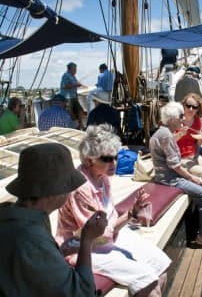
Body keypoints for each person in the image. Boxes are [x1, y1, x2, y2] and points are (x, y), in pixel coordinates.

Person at [56, 124, 171, 297]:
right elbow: (96, 234)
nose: (114, 163)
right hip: (83, 248)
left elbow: (109, 221)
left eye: (115, 157)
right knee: (148, 280)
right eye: (107, 159)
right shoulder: (81, 187)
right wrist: (129, 215)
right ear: (89, 160)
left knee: (161, 265)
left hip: (108, 238)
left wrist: (131, 214)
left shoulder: (103, 179)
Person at [0, 143, 108, 296]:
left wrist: (58, 253)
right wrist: (87, 240)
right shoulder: (30, 238)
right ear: (51, 191)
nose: (70, 190)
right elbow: (84, 292)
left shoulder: (12, 215)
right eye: (67, 185)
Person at [149, 101, 202, 250]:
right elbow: (175, 165)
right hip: (169, 179)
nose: (183, 119)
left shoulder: (165, 132)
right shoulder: (166, 135)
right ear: (173, 119)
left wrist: (180, 134)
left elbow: (168, 146)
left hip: (172, 176)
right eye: (181, 116)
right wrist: (195, 179)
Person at [176, 93, 202, 187]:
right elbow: (167, 142)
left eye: (194, 107)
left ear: (198, 109)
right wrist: (179, 134)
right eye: (188, 106)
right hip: (180, 157)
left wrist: (200, 140)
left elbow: (196, 142)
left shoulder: (198, 121)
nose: (191, 109)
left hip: (194, 155)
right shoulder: (176, 120)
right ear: (183, 106)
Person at [60, 62, 87, 130]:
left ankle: (80, 125)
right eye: (74, 69)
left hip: (74, 97)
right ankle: (70, 128)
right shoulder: (65, 76)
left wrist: (84, 86)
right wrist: (76, 85)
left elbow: (77, 83)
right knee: (69, 113)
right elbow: (65, 86)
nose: (76, 71)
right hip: (67, 98)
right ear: (70, 69)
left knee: (80, 110)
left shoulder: (73, 76)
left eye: (76, 69)